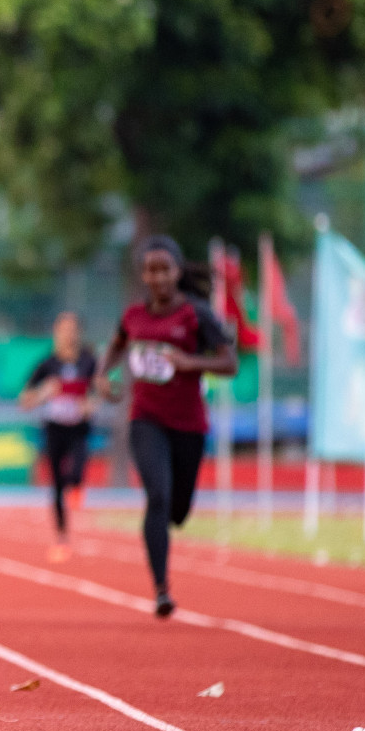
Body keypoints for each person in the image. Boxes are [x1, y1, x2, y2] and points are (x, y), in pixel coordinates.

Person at [97, 236, 237, 617]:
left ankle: (171, 521)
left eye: (164, 269)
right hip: (146, 418)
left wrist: (189, 363)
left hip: (189, 424)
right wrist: (102, 373)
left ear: (177, 272)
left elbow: (229, 363)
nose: (157, 277)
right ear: (143, 275)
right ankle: (161, 589)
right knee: (156, 497)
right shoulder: (133, 316)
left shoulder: (196, 314)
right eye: (150, 270)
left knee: (177, 510)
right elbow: (116, 343)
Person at [19, 311, 97, 561]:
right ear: (56, 332)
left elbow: (105, 389)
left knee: (76, 471)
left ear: (79, 333)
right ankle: (62, 537)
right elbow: (25, 399)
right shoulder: (47, 365)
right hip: (54, 428)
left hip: (79, 428)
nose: (68, 334)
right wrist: (44, 393)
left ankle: (76, 485)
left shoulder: (89, 361)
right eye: (63, 329)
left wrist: (92, 402)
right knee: (56, 483)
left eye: (72, 329)